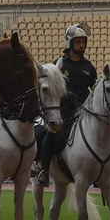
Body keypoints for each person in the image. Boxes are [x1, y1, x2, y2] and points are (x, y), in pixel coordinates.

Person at [33, 23, 95, 186]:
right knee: (51, 134)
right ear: (69, 43)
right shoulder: (60, 64)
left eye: (83, 42)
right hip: (64, 110)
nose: (81, 45)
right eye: (78, 42)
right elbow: (53, 87)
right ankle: (44, 170)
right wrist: (67, 94)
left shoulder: (89, 67)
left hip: (83, 111)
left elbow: (94, 90)